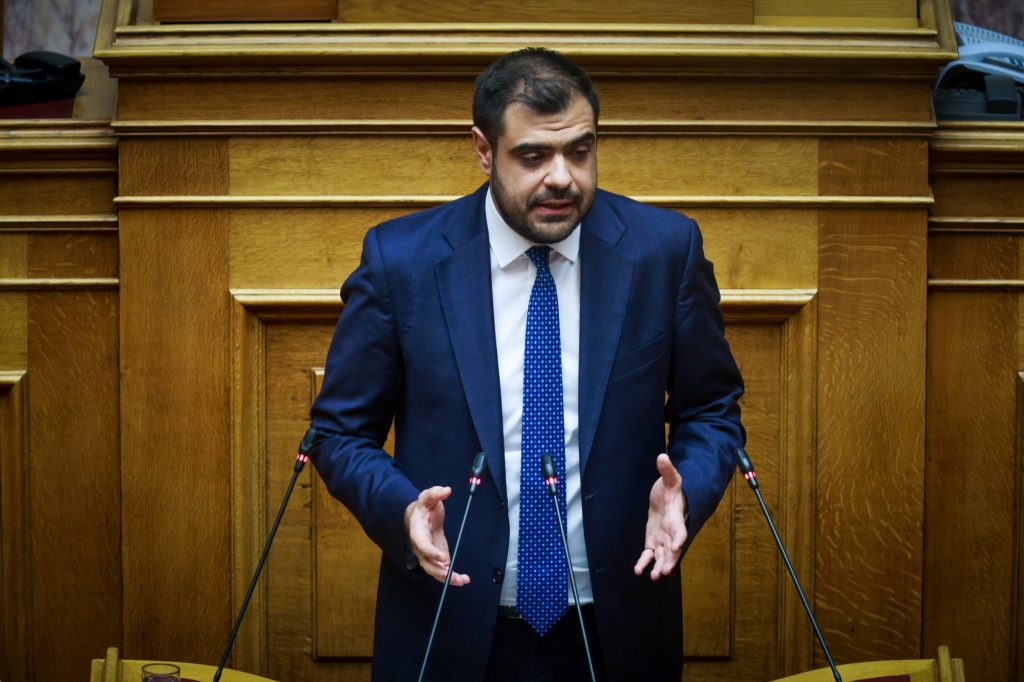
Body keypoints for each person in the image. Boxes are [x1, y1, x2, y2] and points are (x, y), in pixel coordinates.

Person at [310, 47, 745, 681]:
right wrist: (402, 511)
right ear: (484, 151)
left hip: (618, 624)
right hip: (450, 621)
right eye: (534, 156)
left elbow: (711, 410)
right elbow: (338, 433)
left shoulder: (664, 251)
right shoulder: (401, 261)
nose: (562, 177)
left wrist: (688, 492)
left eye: (580, 151)